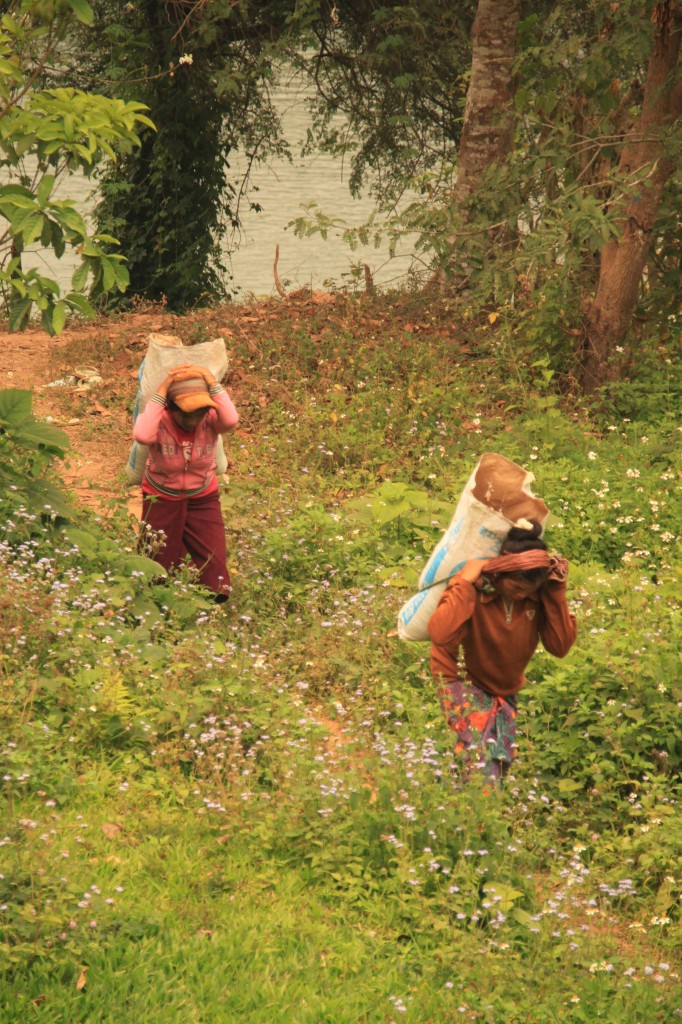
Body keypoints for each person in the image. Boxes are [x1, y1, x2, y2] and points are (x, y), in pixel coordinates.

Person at [428, 519, 577, 783]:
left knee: (500, 760)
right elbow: (440, 633)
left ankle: (460, 801)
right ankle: (472, 806)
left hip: (506, 689)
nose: (522, 594)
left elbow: (560, 646)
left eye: (530, 589)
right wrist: (464, 582)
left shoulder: (535, 597)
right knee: (479, 762)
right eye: (517, 587)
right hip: (461, 680)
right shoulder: (473, 591)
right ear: (499, 575)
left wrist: (555, 592)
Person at [133, 363, 239, 602]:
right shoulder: (160, 420)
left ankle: (209, 607)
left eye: (199, 413)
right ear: (171, 407)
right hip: (161, 497)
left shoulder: (210, 420)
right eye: (187, 413)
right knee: (156, 559)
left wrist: (211, 381)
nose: (193, 420)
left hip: (203, 497)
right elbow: (142, 435)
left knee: (213, 559)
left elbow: (231, 420)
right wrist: (164, 387)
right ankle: (158, 604)